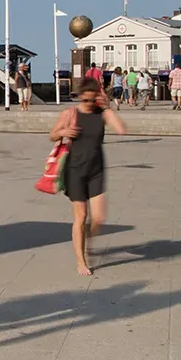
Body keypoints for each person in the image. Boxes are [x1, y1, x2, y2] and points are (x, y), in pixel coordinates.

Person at [50, 79, 127, 276]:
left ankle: (87, 242)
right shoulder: (70, 114)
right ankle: (80, 260)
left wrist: (108, 108)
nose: (89, 104)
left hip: (96, 169)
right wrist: (64, 132)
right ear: (81, 96)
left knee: (99, 218)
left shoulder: (102, 114)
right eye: (86, 100)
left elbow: (121, 130)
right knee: (81, 216)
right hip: (75, 170)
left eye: (93, 100)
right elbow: (52, 135)